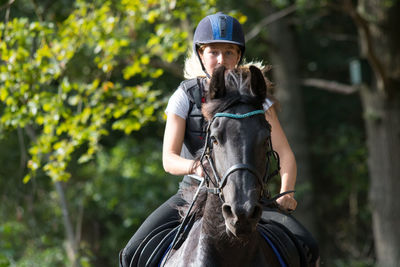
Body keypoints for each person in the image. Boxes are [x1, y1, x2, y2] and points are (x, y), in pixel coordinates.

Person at [120, 12, 318, 267]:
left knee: (308, 245)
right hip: (193, 193)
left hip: (250, 195)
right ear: (201, 54)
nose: (221, 60)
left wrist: (285, 192)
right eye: (213, 52)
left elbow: (285, 154)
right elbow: (169, 160)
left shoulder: (258, 100)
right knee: (131, 253)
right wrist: (196, 167)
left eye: (229, 52)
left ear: (239, 56)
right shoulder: (184, 96)